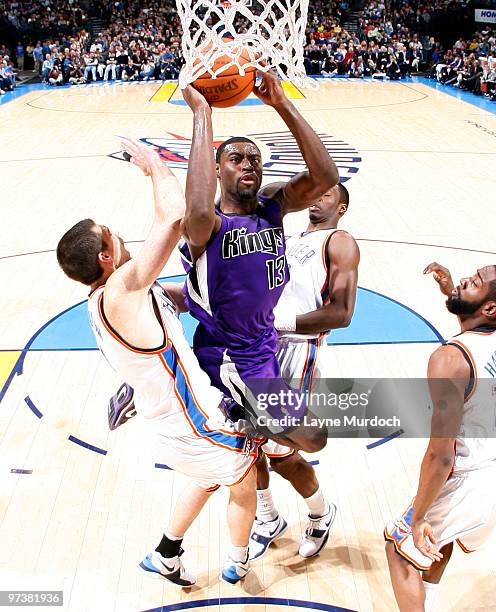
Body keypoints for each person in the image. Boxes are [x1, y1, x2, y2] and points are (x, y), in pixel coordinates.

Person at [56, 139, 264, 586]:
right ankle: (239, 562)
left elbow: (177, 302)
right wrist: (154, 166)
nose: (121, 234)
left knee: (208, 477)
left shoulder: (111, 299)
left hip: (173, 421)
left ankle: (166, 553)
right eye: (112, 233)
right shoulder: (121, 291)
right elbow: (173, 217)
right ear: (105, 258)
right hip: (192, 422)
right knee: (245, 473)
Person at [179, 70, 340, 452]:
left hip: (266, 342)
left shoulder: (272, 208)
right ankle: (228, 409)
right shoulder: (208, 227)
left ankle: (244, 420)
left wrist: (282, 103)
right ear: (217, 169)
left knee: (276, 454)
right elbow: (198, 208)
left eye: (254, 158)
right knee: (313, 438)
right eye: (236, 158)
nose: (248, 163)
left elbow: (325, 176)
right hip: (232, 356)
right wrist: (203, 114)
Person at [250, 183, 360, 561]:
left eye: (328, 195)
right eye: (315, 191)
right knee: (248, 443)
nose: (317, 197)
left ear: (341, 208)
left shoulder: (340, 241)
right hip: (264, 347)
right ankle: (266, 516)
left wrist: (281, 322)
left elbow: (342, 314)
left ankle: (320, 512)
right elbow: (265, 193)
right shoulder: (293, 237)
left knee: (281, 452)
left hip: (300, 351)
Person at [385, 262, 496, 612]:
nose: (465, 279)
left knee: (399, 546)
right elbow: (477, 332)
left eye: (474, 282)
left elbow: (440, 456)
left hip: (471, 478)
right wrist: (452, 292)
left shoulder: (449, 360)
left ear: (490, 308)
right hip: (489, 470)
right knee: (439, 539)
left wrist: (418, 516)